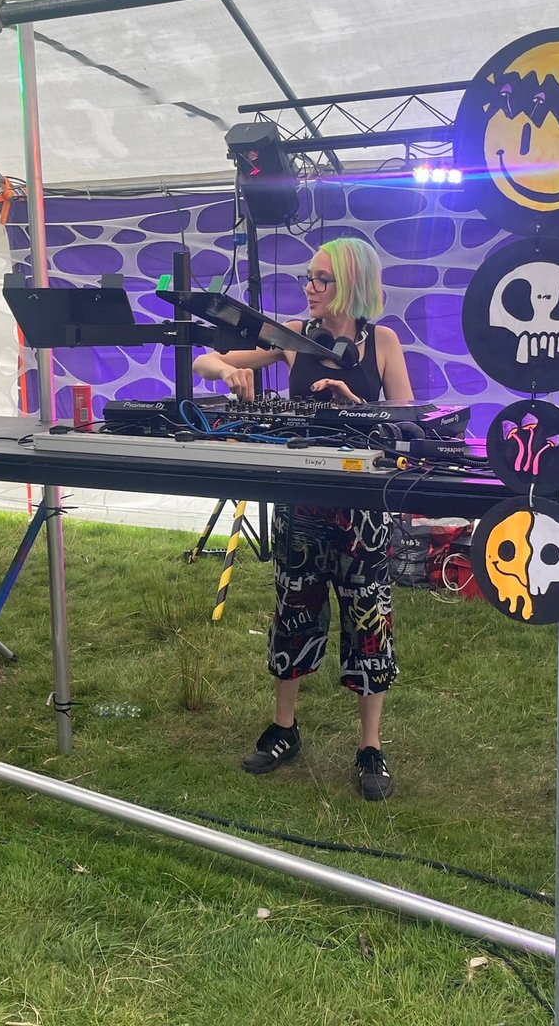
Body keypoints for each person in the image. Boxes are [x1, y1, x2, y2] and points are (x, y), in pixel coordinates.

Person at [192, 236, 413, 800]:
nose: (310, 288)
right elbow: (205, 359)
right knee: (292, 612)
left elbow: (410, 424)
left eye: (322, 279)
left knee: (369, 622)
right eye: (308, 278)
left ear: (352, 283)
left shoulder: (383, 342)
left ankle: (370, 746)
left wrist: (357, 407)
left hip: (363, 514)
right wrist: (225, 373)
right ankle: (284, 728)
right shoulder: (292, 337)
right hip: (300, 506)